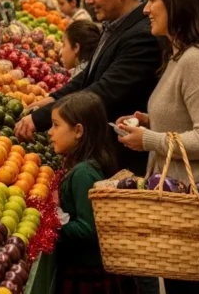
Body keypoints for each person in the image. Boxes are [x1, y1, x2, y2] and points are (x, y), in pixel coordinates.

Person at [115, 0, 199, 294]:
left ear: (177, 3)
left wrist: (150, 139)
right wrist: (154, 121)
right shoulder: (180, 55)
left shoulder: (197, 61)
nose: (146, 9)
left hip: (193, 204)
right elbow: (190, 118)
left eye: (152, 0)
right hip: (176, 200)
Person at [15, 0, 162, 174]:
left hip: (123, 162)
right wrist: (53, 98)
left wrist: (44, 118)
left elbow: (103, 92)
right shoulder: (115, 23)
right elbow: (90, 76)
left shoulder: (141, 37)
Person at [49, 91, 138, 294]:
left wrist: (53, 225)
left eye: (56, 125)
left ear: (78, 130)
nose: (50, 132)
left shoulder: (83, 173)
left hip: (87, 272)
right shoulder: (82, 164)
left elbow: (88, 229)